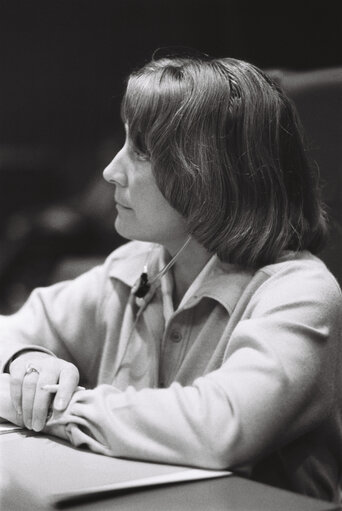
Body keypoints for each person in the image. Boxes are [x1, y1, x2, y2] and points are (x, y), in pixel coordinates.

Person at [1, 54, 341, 504]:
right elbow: (8, 334)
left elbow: (220, 426)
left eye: (140, 150)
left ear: (210, 173)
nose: (110, 171)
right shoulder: (135, 264)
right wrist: (27, 364)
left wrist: (53, 407)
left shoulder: (300, 291)